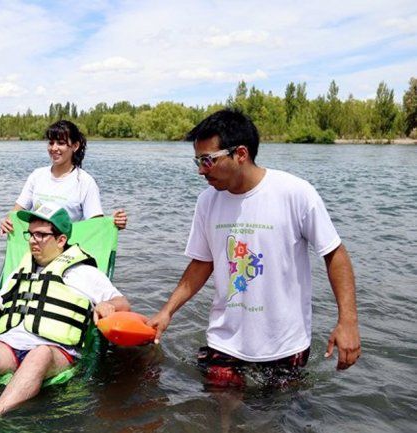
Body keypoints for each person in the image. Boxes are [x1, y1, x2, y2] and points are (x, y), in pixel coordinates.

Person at [147, 109, 361, 387]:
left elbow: (334, 254)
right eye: (197, 160)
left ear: (241, 154)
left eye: (208, 160)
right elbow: (202, 263)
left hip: (284, 341)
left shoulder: (295, 193)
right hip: (225, 339)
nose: (201, 170)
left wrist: (348, 321)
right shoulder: (207, 201)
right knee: (221, 408)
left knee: (279, 414)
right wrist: (167, 311)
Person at [0, 203, 130, 431]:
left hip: (54, 349)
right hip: (12, 343)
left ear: (61, 240)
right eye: (30, 233)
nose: (32, 240)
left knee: (39, 354)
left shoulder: (82, 272)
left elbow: (122, 302)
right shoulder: (23, 268)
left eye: (40, 235)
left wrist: (107, 305)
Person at [0, 119, 128, 234]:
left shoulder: (85, 182)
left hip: (67, 254)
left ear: (75, 146)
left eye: (60, 143)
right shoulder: (36, 176)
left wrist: (113, 223)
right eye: (51, 143)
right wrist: (7, 222)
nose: (54, 148)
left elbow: (96, 226)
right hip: (36, 248)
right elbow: (15, 214)